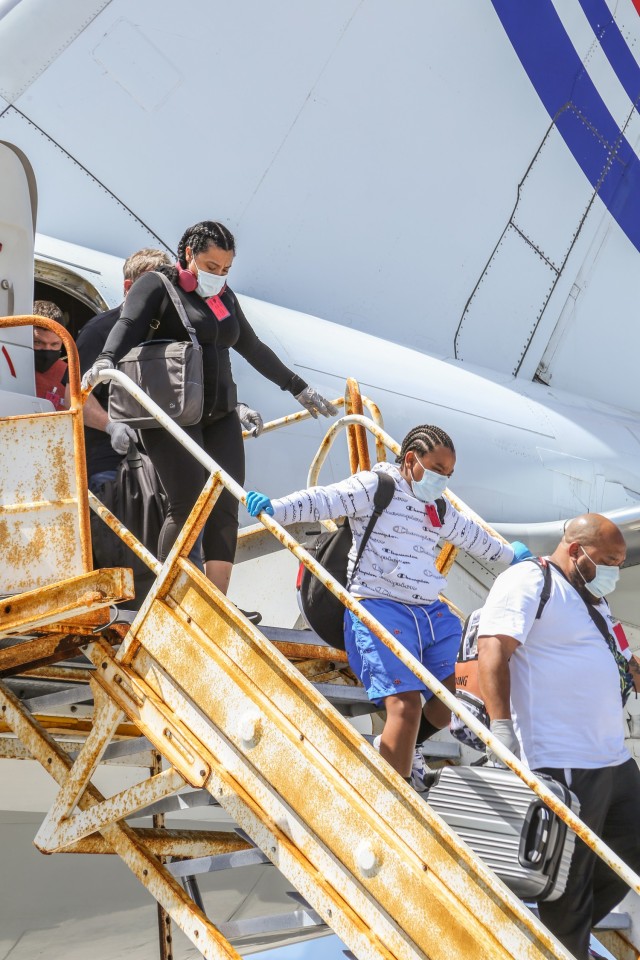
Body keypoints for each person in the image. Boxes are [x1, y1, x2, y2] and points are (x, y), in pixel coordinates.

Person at [245, 423, 531, 788]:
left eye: (449, 474)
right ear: (411, 460)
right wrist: (276, 508)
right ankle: (392, 797)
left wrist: (510, 556)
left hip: (430, 613)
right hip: (380, 607)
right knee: (406, 706)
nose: (443, 480)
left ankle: (403, 749)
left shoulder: (438, 508)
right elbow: (324, 499)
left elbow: (471, 535)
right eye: (437, 471)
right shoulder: (375, 487)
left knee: (455, 698)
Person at [82, 220, 337, 597]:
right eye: (212, 267)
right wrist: (105, 360)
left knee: (225, 504)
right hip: (169, 416)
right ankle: (172, 596)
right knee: (186, 505)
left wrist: (297, 387)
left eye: (226, 270)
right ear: (189, 254)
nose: (218, 276)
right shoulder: (158, 285)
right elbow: (128, 324)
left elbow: (252, 346)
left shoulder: (224, 297)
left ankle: (215, 602)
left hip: (219, 414)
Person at [477, 514, 640, 960]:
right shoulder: (530, 581)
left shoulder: (593, 599)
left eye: (620, 562)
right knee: (569, 882)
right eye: (607, 560)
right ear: (576, 550)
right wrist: (501, 729)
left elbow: (623, 663)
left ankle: (566, 929)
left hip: (612, 757)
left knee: (631, 851)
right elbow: (493, 648)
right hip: (562, 760)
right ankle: (564, 939)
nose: (614, 571)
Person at [70, 248, 173, 493]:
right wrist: (110, 425)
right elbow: (72, 394)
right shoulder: (100, 330)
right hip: (109, 462)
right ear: (129, 286)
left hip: (158, 461)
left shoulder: (168, 334)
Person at [33, 300, 67, 410]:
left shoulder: (70, 375)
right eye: (38, 342)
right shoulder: (8, 367)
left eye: (54, 344)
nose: (47, 350)